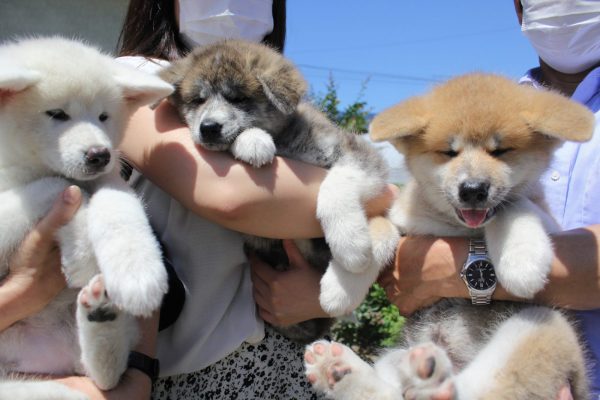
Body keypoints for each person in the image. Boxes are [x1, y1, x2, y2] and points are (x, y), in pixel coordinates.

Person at [0, 0, 392, 399]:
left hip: (281, 357)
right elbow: (233, 195)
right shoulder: (134, 82)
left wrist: (324, 291)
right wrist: (371, 197)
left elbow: (355, 197)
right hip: (182, 371)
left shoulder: (265, 79)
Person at [378, 1, 600, 398]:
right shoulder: (490, 101)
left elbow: (421, 269)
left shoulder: (528, 119)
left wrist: (450, 266)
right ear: (519, 8)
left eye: (500, 153)